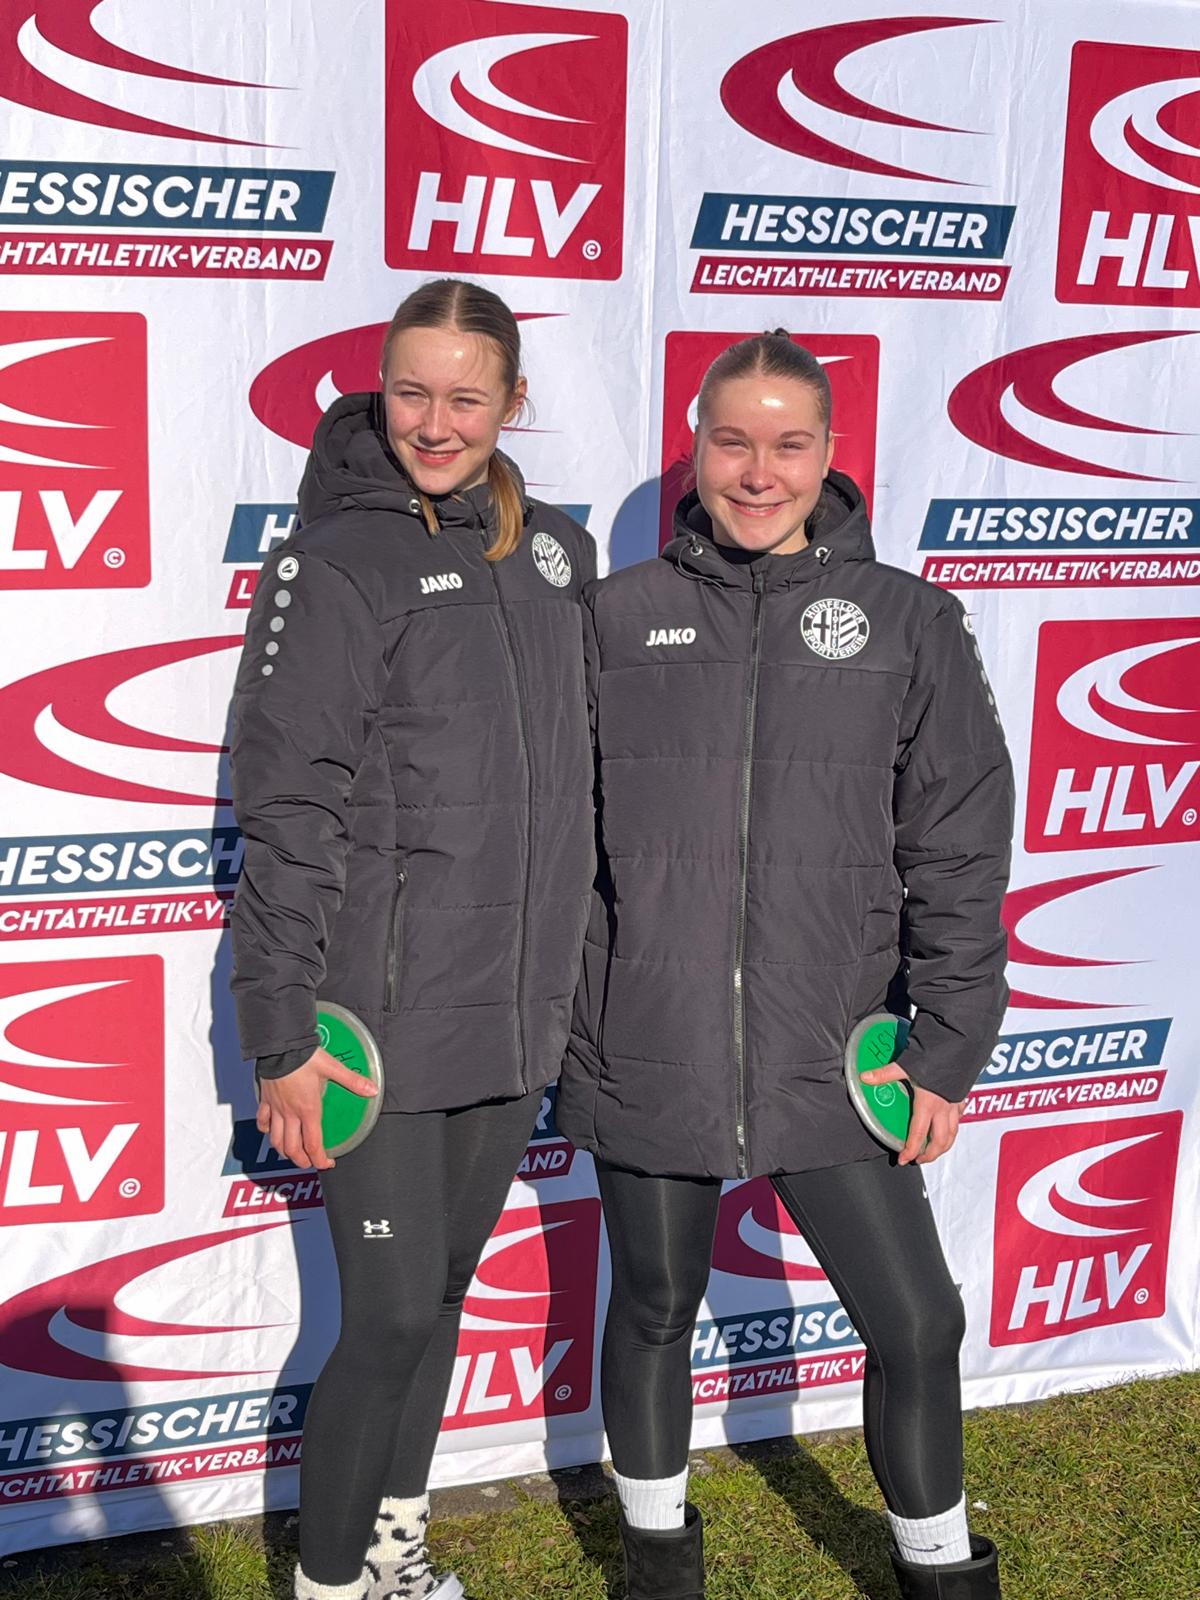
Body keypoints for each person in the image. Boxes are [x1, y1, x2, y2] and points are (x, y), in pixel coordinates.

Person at [558, 331, 1014, 1600]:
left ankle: (941, 1575)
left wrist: (946, 1048)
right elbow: (557, 844)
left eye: (789, 443)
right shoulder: (613, 618)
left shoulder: (909, 621)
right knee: (655, 1303)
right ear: (696, 447)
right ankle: (658, 1568)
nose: (759, 472)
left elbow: (960, 847)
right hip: (651, 1036)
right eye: (733, 441)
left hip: (833, 1043)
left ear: (828, 454)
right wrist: (576, 1020)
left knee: (917, 1321)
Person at [228, 278, 596, 1600]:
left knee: (437, 1298)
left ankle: (393, 1551)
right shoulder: (335, 560)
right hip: (373, 1020)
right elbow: (288, 807)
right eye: (412, 393)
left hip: (512, 1012)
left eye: (466, 397)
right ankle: (327, 1587)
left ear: (512, 401)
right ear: (381, 390)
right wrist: (281, 1033)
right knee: (385, 1316)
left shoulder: (557, 553)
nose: (435, 424)